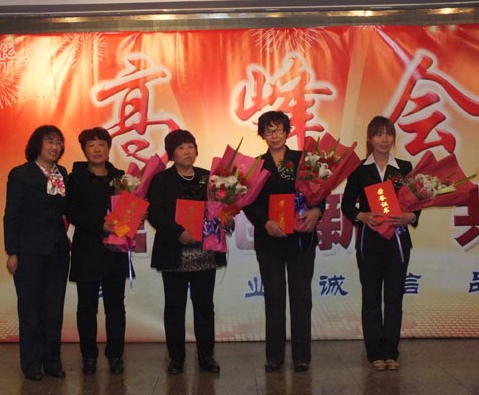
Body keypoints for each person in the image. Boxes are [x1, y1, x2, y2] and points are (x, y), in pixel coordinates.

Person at [147, 129, 233, 375]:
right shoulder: (160, 180)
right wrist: (178, 232)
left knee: (204, 306)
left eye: (190, 146)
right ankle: (176, 358)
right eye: (181, 147)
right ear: (171, 153)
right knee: (175, 307)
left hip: (205, 254)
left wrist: (227, 219)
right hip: (174, 252)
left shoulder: (210, 178)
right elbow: (155, 213)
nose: (187, 151)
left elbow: (221, 209)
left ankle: (206, 356)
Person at [243, 110, 323, 373]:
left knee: (301, 297)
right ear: (262, 135)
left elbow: (320, 191)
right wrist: (265, 222)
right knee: (274, 297)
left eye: (278, 130)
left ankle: (302, 356)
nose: (274, 135)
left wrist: (316, 211)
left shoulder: (303, 160)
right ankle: (274, 356)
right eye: (269, 131)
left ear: (287, 132)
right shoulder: (256, 165)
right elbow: (248, 202)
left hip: (301, 239)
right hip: (270, 240)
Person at [341, 115, 419, 371]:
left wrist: (410, 217)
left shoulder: (405, 168)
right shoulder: (359, 169)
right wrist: (361, 215)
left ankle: (391, 353)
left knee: (394, 298)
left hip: (397, 242)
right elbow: (347, 204)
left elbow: (417, 203)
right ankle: (374, 352)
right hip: (370, 243)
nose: (384, 139)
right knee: (371, 298)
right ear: (370, 138)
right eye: (378, 134)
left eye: (388, 134)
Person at [3, 125, 70, 381]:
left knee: (53, 308)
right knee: (30, 309)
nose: (55, 147)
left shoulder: (62, 174)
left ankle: (52, 362)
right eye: (49, 141)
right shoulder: (21, 174)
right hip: (28, 251)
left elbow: (69, 210)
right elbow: (11, 215)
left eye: (58, 142)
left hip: (57, 250)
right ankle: (31, 364)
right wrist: (12, 252)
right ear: (37, 145)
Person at [66, 127, 132, 376]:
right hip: (87, 250)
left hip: (115, 250)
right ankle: (89, 356)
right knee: (86, 307)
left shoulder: (121, 178)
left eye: (101, 144)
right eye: (91, 145)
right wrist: (99, 225)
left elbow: (128, 210)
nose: (97, 149)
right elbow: (71, 211)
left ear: (108, 148)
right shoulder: (75, 179)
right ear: (84, 150)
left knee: (116, 307)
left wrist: (136, 213)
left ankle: (115, 355)